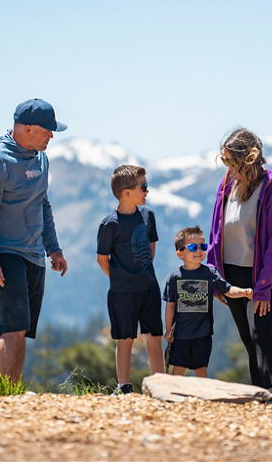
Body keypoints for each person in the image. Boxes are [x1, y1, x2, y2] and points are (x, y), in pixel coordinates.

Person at [0, 98, 69, 383]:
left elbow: (42, 204)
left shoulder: (41, 159)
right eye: (47, 130)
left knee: (21, 328)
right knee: (11, 328)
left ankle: (12, 395)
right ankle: (2, 397)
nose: (51, 135)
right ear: (25, 129)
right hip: (5, 254)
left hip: (34, 255)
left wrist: (54, 247)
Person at [208, 128, 272, 403]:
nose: (228, 167)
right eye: (225, 161)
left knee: (262, 335)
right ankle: (258, 396)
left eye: (232, 161)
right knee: (247, 339)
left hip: (262, 276)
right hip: (231, 274)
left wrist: (264, 287)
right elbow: (216, 233)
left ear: (247, 159)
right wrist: (215, 280)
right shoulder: (226, 185)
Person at [96, 165, 164, 394]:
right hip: (122, 292)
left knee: (154, 336)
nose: (147, 191)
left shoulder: (148, 216)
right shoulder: (109, 224)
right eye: (143, 187)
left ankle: (161, 385)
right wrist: (118, 278)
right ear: (126, 192)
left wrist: (142, 272)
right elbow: (102, 259)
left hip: (149, 288)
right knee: (124, 338)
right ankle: (124, 386)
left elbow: (151, 248)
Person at [163, 226, 252, 377]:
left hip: (202, 334)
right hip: (180, 335)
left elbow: (227, 290)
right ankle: (172, 399)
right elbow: (170, 306)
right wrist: (168, 330)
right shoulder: (175, 277)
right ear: (180, 253)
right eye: (193, 247)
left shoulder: (209, 273)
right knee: (178, 369)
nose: (199, 251)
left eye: (203, 247)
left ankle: (204, 400)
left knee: (201, 369)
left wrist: (243, 292)